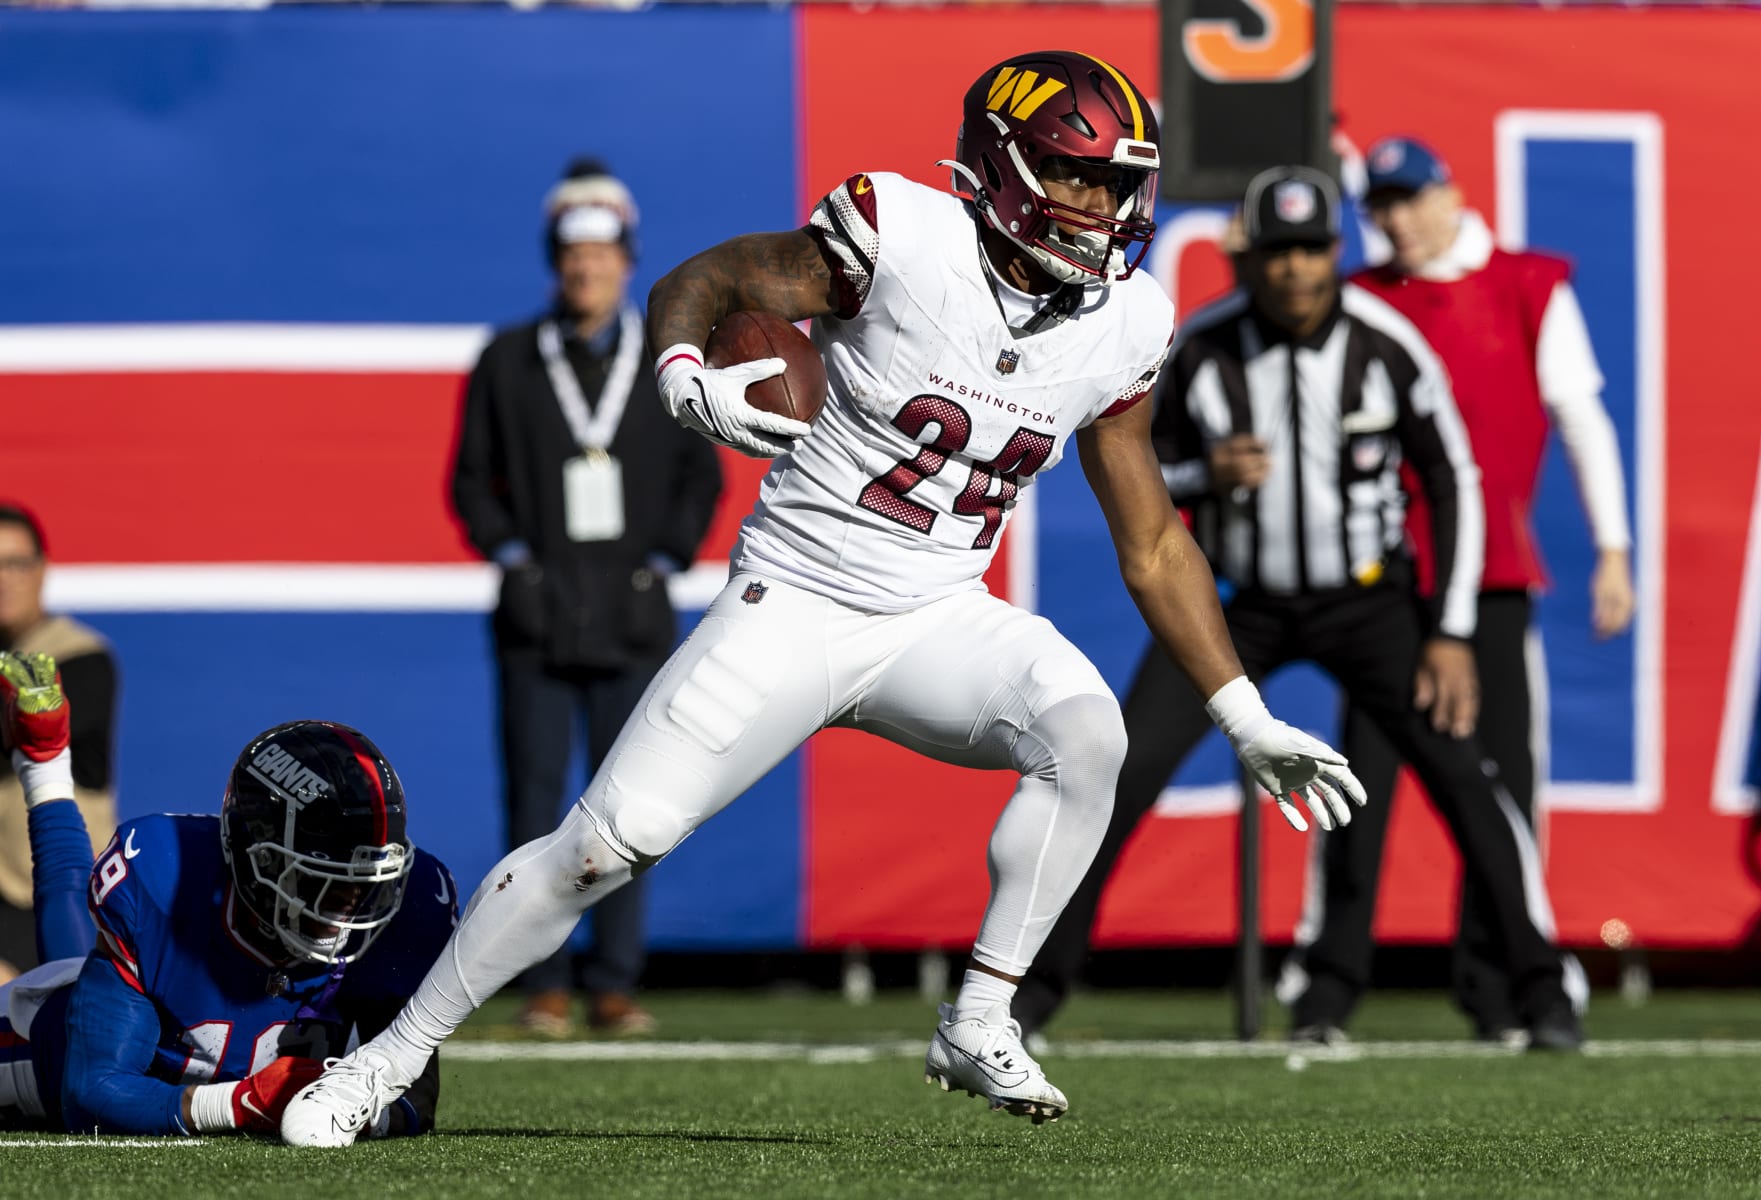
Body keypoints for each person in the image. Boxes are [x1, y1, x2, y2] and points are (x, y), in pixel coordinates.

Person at [281, 51, 1363, 1145]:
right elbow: (703, 285)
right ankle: (384, 1061)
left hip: (938, 612)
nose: (1099, 205)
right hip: (794, 598)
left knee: (1087, 736)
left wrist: (1245, 714)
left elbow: (1154, 540)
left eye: (1114, 183)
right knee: (608, 844)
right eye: (1070, 173)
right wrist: (684, 377)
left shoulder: (1126, 321)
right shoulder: (902, 233)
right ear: (1000, 165)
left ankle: (981, 1013)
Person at [1010, 166, 1585, 1050]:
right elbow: (1132, 471)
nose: (1296, 272)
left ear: (1335, 252)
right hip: (1238, 608)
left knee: (1468, 784)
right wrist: (1209, 476)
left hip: (1370, 603)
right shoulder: (1200, 346)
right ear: (1252, 259)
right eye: (1278, 253)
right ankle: (1029, 997)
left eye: (1312, 250)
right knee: (1117, 773)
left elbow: (1453, 478)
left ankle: (1543, 992)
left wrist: (1452, 629)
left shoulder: (1386, 341)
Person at [1284, 136, 1634, 1042]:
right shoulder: (1362, 296)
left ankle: (1505, 991)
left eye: (1407, 199)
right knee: (1360, 787)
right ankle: (1327, 994)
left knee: (1502, 788)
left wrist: (1614, 548)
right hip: (1384, 587)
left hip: (1494, 581)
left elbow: (1581, 416)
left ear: (1450, 194)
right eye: (1380, 205)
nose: (1394, 219)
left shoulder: (1525, 283)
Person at [451, 157, 722, 1038]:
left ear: (627, 260)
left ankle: (615, 981)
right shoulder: (507, 359)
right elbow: (469, 482)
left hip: (634, 617)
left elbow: (702, 472)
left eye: (602, 256)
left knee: (632, 806)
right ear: (554, 265)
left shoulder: (666, 362)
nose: (587, 271)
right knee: (533, 807)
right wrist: (515, 558)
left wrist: (663, 560)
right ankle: (542, 985)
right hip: (535, 620)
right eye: (573, 259)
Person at [0, 650, 458, 1137]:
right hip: (31, 1051)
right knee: (73, 970)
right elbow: (91, 1092)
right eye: (323, 879)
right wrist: (241, 1104)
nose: (350, 904)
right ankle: (44, 762)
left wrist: (359, 1117)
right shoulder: (164, 879)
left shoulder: (406, 912)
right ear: (255, 859)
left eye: (364, 882)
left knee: (83, 960)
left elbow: (415, 1102)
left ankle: (44, 760)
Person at [0, 504, 118, 985]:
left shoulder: (81, 656)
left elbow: (29, 725)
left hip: (61, 896)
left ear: (42, 569)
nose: (2, 578)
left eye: (15, 563)